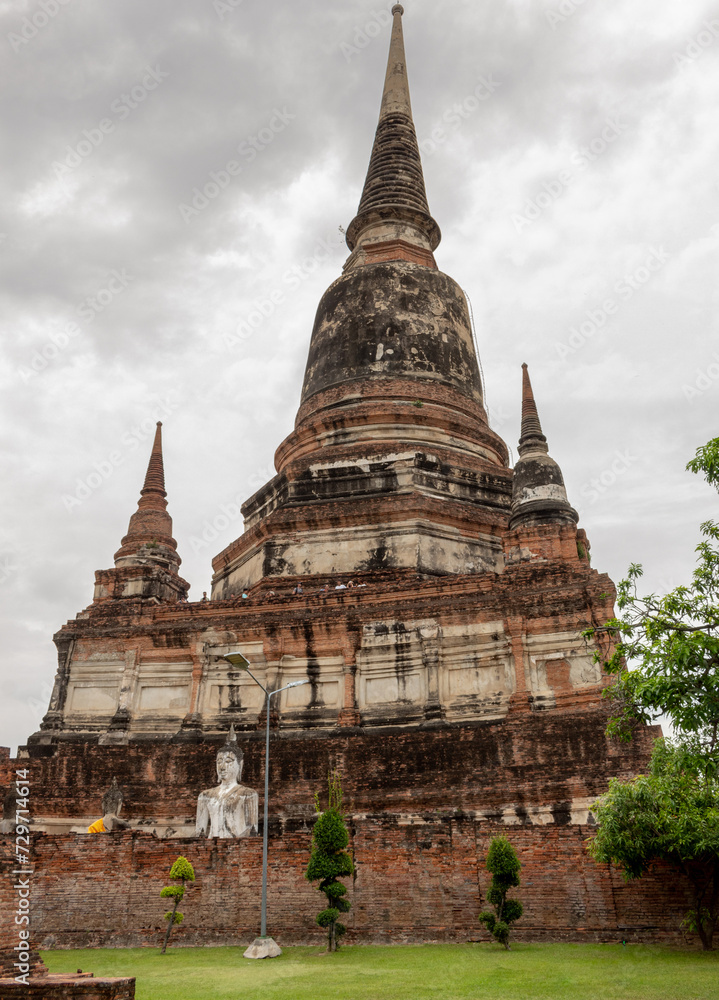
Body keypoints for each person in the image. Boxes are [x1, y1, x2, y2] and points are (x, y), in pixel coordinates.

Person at [195, 725, 259, 839]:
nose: (222, 767)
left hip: (237, 847)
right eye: (219, 762)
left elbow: (251, 830)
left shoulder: (248, 794)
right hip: (210, 847)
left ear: (240, 765)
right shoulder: (205, 796)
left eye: (228, 761)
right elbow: (200, 832)